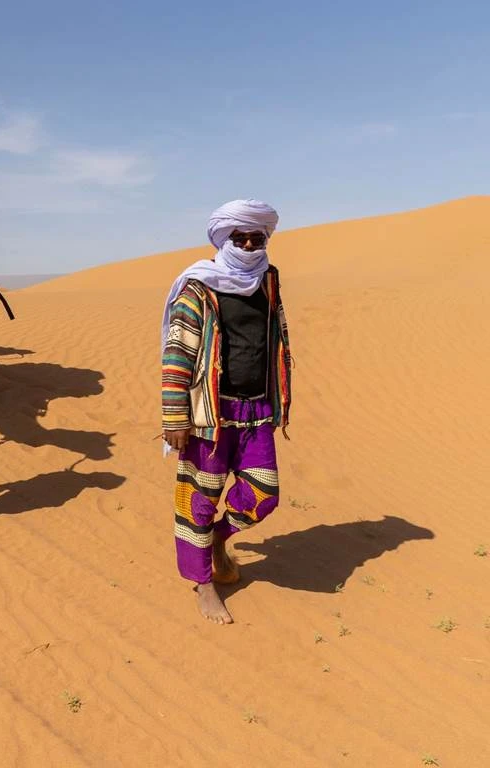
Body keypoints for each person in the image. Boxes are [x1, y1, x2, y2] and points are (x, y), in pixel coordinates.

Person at [161, 199, 292, 624]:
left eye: (257, 237)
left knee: (263, 494)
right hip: (209, 417)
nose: (250, 244)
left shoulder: (268, 281)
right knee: (199, 501)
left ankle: (219, 539)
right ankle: (202, 584)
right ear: (225, 238)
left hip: (256, 412)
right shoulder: (199, 286)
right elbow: (177, 353)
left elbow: (277, 340)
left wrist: (280, 399)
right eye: (241, 237)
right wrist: (175, 417)